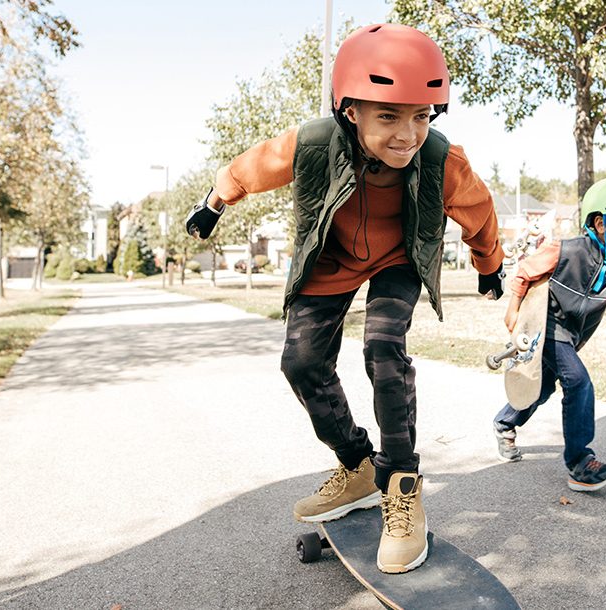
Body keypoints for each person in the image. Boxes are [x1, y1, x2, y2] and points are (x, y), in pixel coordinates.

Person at [185, 23, 504, 574]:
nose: (408, 133)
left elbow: (479, 213)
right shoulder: (310, 143)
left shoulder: (441, 159)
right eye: (388, 116)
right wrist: (215, 200)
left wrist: (489, 265)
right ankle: (357, 465)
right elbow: (253, 164)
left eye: (422, 115)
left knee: (383, 350)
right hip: (329, 259)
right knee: (302, 362)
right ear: (350, 110)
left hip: (399, 258)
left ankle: (401, 486)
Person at [491, 176, 606, 492]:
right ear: (599, 223)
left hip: (572, 337)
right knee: (577, 380)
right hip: (545, 325)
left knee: (540, 389)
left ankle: (505, 422)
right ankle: (580, 462)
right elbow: (525, 272)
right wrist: (513, 312)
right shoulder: (565, 250)